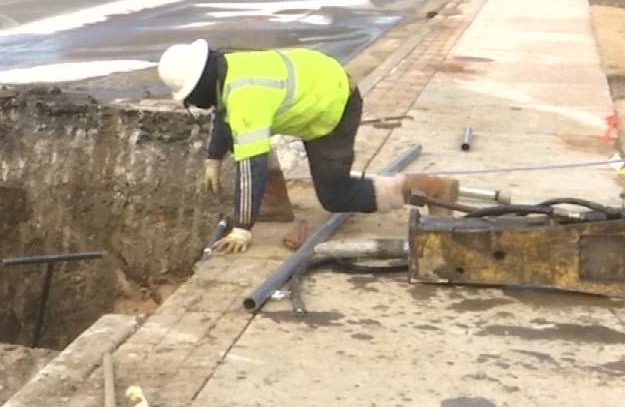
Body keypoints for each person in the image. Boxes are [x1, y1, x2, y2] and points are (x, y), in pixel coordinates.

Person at [157, 40, 457, 254]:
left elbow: (251, 165)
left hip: (332, 104)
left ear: (200, 85)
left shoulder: (246, 96)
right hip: (316, 78)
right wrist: (213, 156)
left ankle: (428, 187)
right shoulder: (228, 66)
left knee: (335, 196)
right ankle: (273, 207)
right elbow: (225, 113)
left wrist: (242, 227)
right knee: (249, 139)